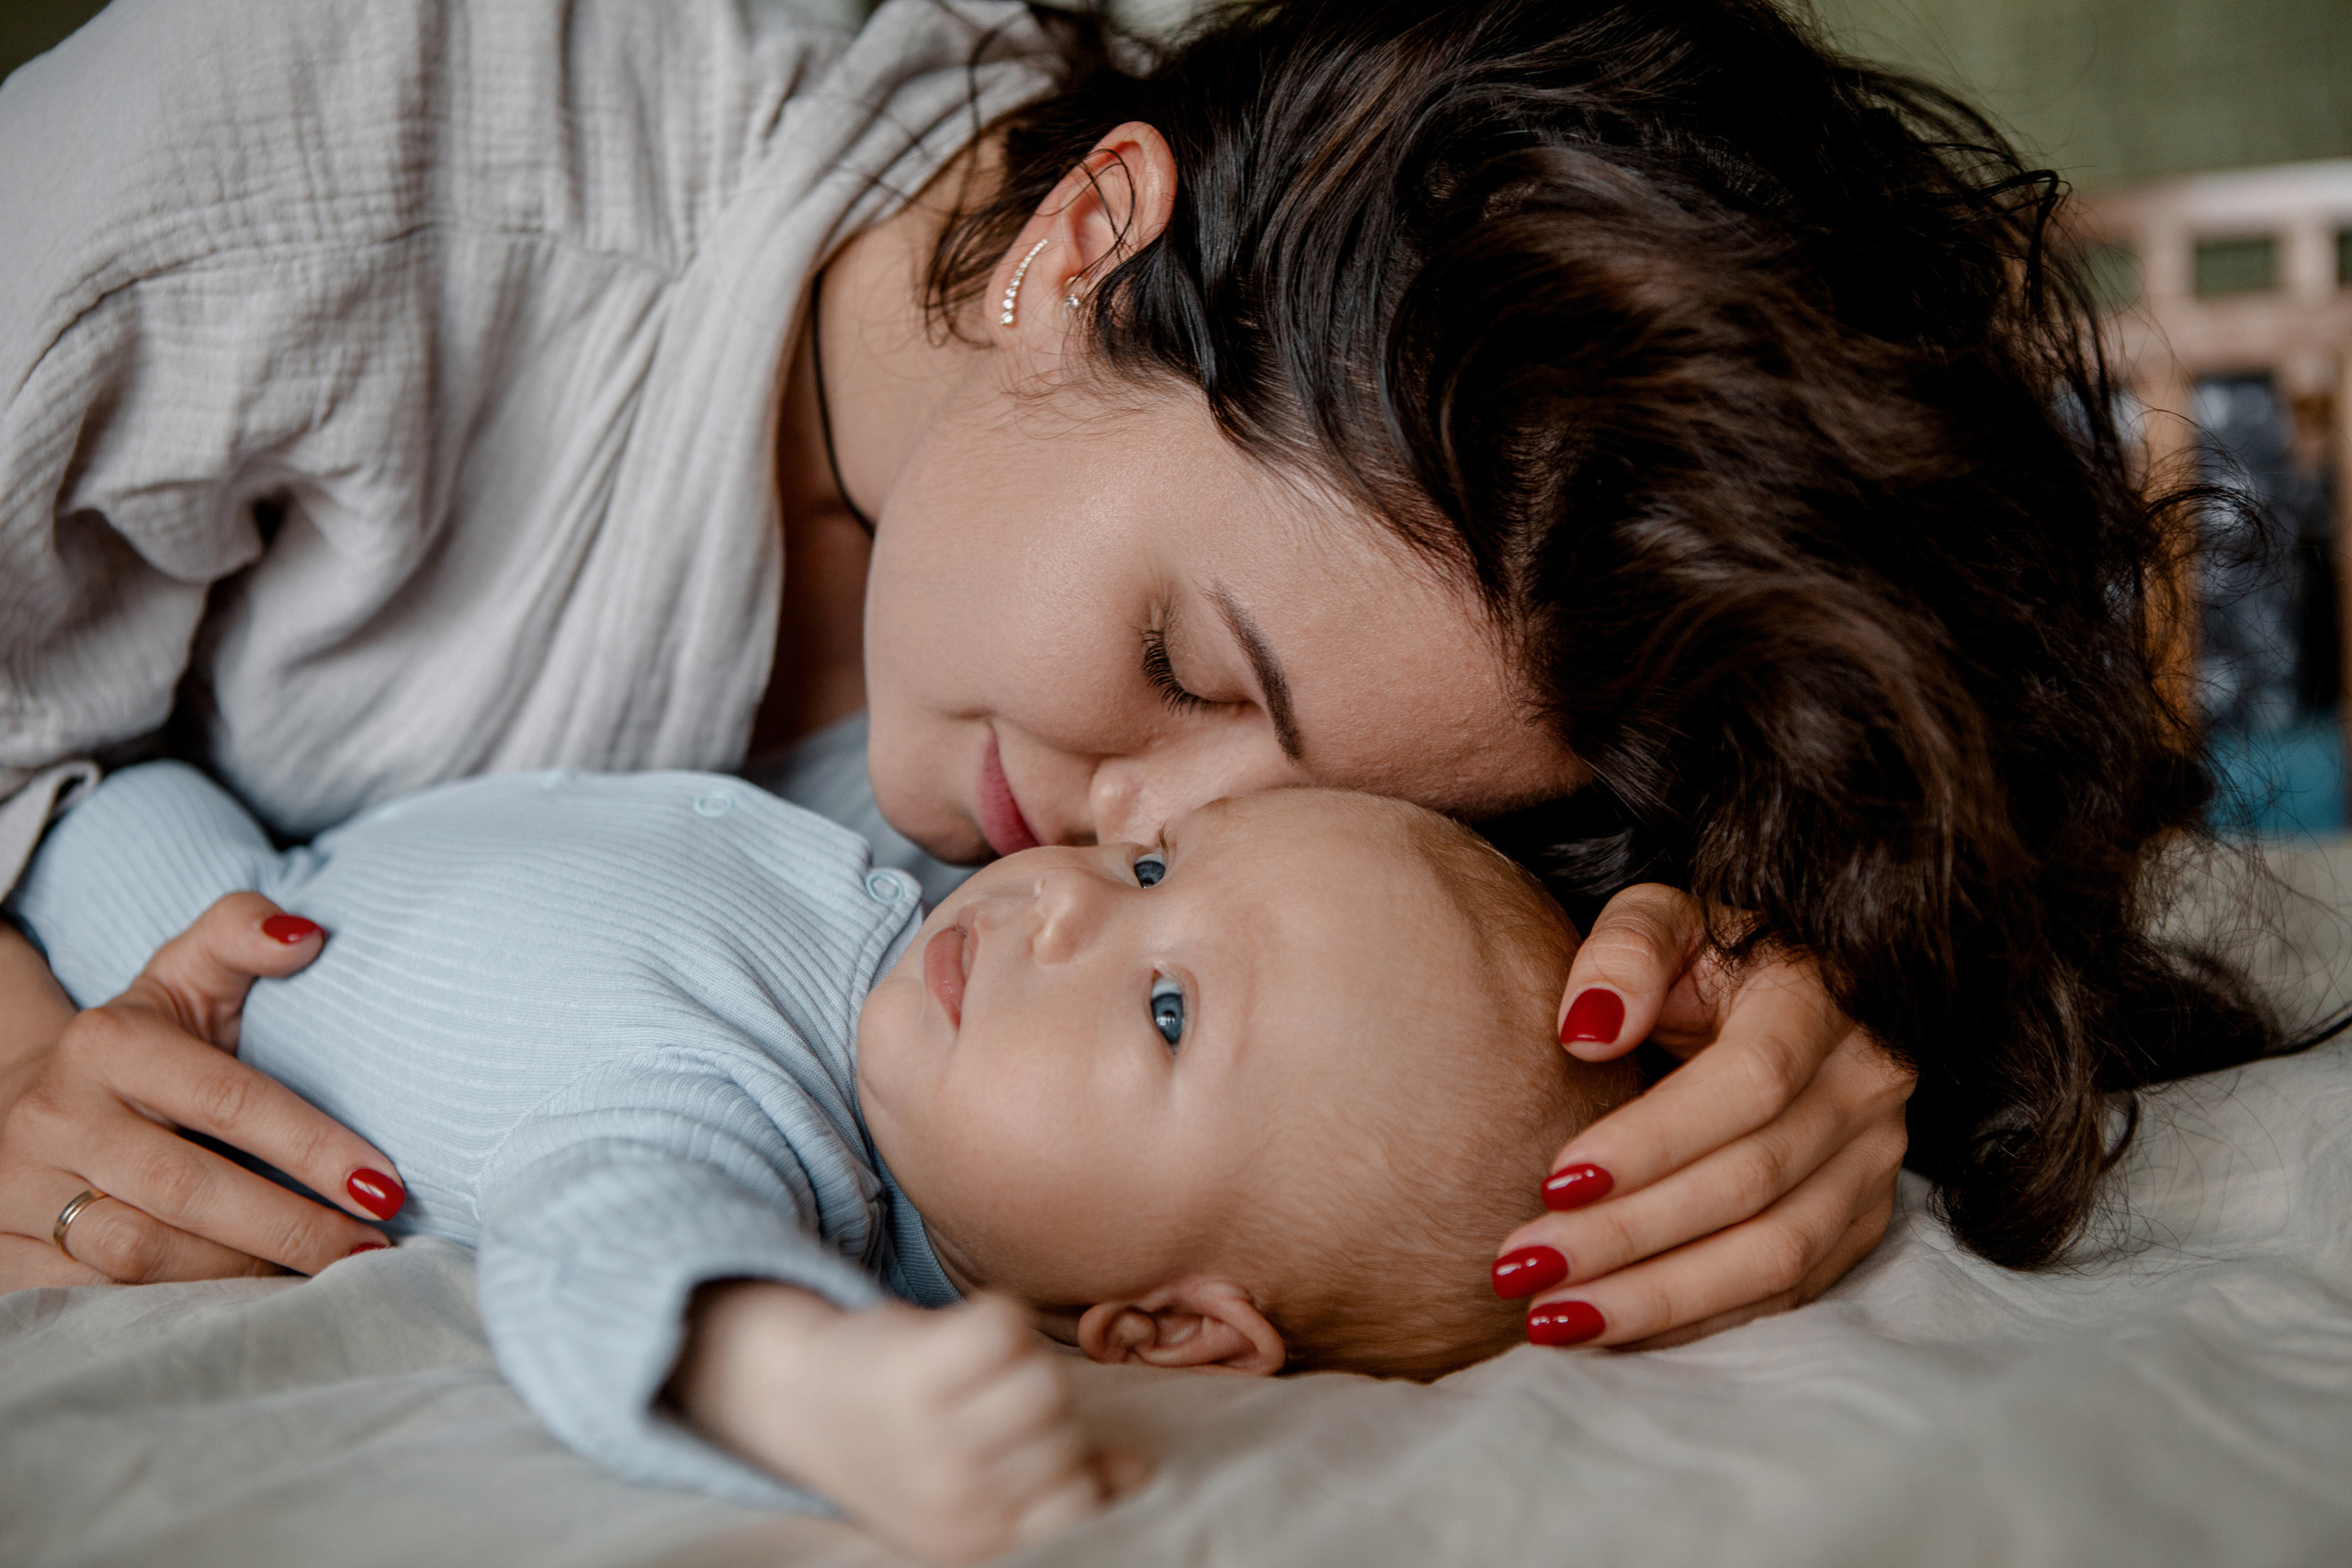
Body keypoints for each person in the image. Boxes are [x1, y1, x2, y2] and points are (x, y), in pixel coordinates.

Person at [0, 0, 2269, 1340]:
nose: (1121, 827)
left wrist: (1789, 1003)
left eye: (1280, 806)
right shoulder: (344, 147)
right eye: (1179, 653)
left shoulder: (1416, 599)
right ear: (1083, 237)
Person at [9, 761, 1640, 1563]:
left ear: (1170, 1335)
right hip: (225, 799)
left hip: (135, 957)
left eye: (1161, 1010)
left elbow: (613, 1253)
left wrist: (799, 1377)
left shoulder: (757, 1151)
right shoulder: (913, 927)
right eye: (1153, 861)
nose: (1065, 897)